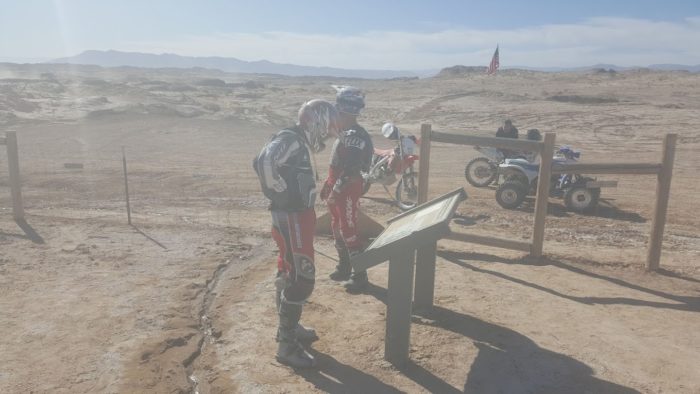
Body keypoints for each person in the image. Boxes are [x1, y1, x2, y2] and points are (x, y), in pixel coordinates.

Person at [253, 99, 339, 368]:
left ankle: (289, 329)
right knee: (302, 279)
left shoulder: (298, 140)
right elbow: (265, 160)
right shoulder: (291, 139)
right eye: (325, 129)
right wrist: (279, 191)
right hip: (291, 218)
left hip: (295, 216)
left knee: (289, 271)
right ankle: (287, 345)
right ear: (316, 123)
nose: (325, 135)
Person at [321, 86, 373, 292]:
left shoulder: (355, 136)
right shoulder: (346, 133)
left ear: (344, 111)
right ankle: (344, 266)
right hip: (339, 185)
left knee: (348, 228)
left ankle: (360, 275)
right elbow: (338, 164)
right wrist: (328, 183)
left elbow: (351, 170)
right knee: (337, 226)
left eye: (337, 112)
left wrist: (335, 191)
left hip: (348, 188)